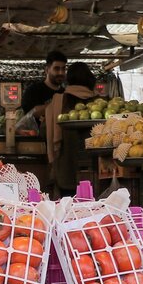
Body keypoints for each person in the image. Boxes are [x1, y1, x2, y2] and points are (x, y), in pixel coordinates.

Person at [45, 63, 99, 198]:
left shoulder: (58, 100)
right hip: (95, 167)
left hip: (66, 166)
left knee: (67, 208)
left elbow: (44, 130)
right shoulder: (99, 103)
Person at [20, 50, 67, 120]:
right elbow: (30, 113)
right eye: (57, 69)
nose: (61, 73)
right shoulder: (33, 90)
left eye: (63, 69)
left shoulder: (65, 93)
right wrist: (57, 105)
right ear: (47, 70)